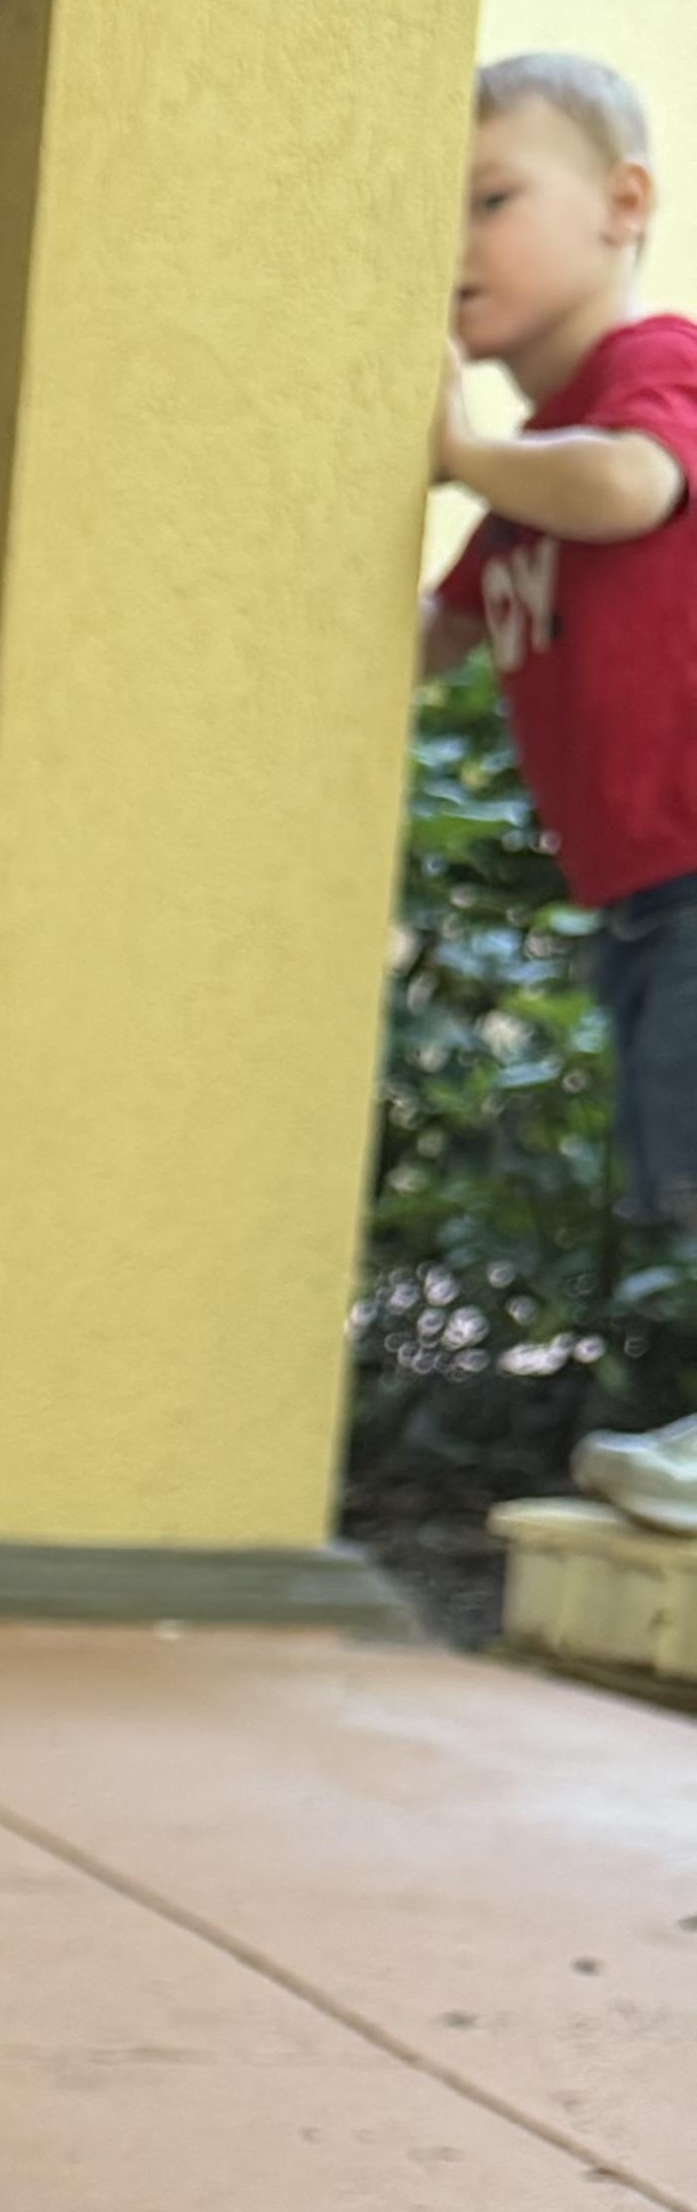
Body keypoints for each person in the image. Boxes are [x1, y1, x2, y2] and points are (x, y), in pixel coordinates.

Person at [423, 50, 697, 1534]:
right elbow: (429, 638)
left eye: (493, 198)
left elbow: (637, 489)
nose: (454, 239)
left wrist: (458, 450)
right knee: (682, 1169)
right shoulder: (528, 463)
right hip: (647, 889)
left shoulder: (651, 369)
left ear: (625, 203)